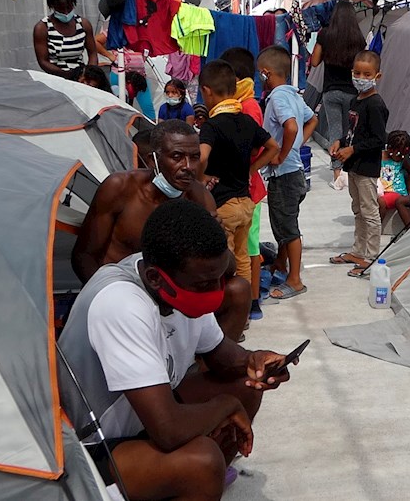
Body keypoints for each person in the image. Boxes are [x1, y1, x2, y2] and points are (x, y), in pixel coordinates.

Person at [58, 199, 293, 500]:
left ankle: (191, 485)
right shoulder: (121, 303)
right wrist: (224, 406)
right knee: (202, 461)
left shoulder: (180, 274)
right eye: (206, 284)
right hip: (91, 450)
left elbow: (220, 353)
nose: (216, 292)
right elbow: (168, 430)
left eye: (220, 279)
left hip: (143, 416)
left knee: (247, 385)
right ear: (156, 278)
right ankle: (191, 479)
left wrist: (256, 359)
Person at [71, 120, 249, 342]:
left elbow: (226, 270)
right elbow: (84, 256)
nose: (188, 167)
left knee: (239, 290)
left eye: (195, 157)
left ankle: (212, 366)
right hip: (124, 296)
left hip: (174, 297)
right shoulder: (120, 189)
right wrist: (110, 300)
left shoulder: (200, 198)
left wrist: (218, 239)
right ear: (152, 160)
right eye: (177, 157)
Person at [198, 59, 279, 286]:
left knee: (225, 262)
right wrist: (252, 169)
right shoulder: (246, 120)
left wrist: (199, 179)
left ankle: (227, 312)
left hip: (223, 206)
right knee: (242, 258)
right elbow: (273, 147)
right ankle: (242, 311)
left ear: (207, 91)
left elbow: (202, 156)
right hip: (246, 203)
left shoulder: (211, 126)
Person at [257, 46, 318, 300]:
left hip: (283, 174)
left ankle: (295, 280)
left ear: (266, 73)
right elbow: (312, 119)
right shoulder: (293, 94)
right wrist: (297, 145)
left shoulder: (278, 98)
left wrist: (281, 154)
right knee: (283, 225)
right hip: (295, 173)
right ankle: (280, 265)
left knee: (288, 228)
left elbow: (291, 125)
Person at [327, 50, 388, 277]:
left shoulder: (375, 104)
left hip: (367, 167)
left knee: (370, 212)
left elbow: (378, 139)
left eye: (367, 74)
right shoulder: (355, 101)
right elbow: (353, 132)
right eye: (357, 73)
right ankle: (357, 250)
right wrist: (340, 142)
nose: (361, 77)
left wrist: (353, 149)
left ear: (377, 76)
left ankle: (371, 256)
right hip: (354, 166)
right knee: (358, 210)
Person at [221, 47, 269, 319]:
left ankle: (252, 300)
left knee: (249, 248)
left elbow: (254, 147)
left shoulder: (248, 107)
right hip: (242, 188)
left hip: (248, 191)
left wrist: (249, 168)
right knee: (242, 247)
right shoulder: (241, 105)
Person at [311, 0, 366, 190]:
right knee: (351, 132)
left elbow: (315, 62)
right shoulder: (358, 38)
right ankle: (351, 171)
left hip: (331, 91)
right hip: (353, 92)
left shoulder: (325, 35)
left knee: (335, 131)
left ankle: (337, 175)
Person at [33, 0, 97, 79]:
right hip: (56, 78)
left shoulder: (83, 24)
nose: (66, 12)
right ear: (52, 6)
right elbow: (43, 61)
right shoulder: (42, 28)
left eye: (69, 7)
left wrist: (89, 73)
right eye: (61, 9)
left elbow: (92, 53)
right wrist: (66, 75)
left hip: (81, 78)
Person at [377, 130, 410, 225]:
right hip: (381, 191)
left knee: (381, 202)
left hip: (397, 192)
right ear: (390, 149)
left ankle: (377, 227)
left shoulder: (402, 160)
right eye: (399, 154)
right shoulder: (380, 157)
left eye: (404, 155)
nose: (402, 157)